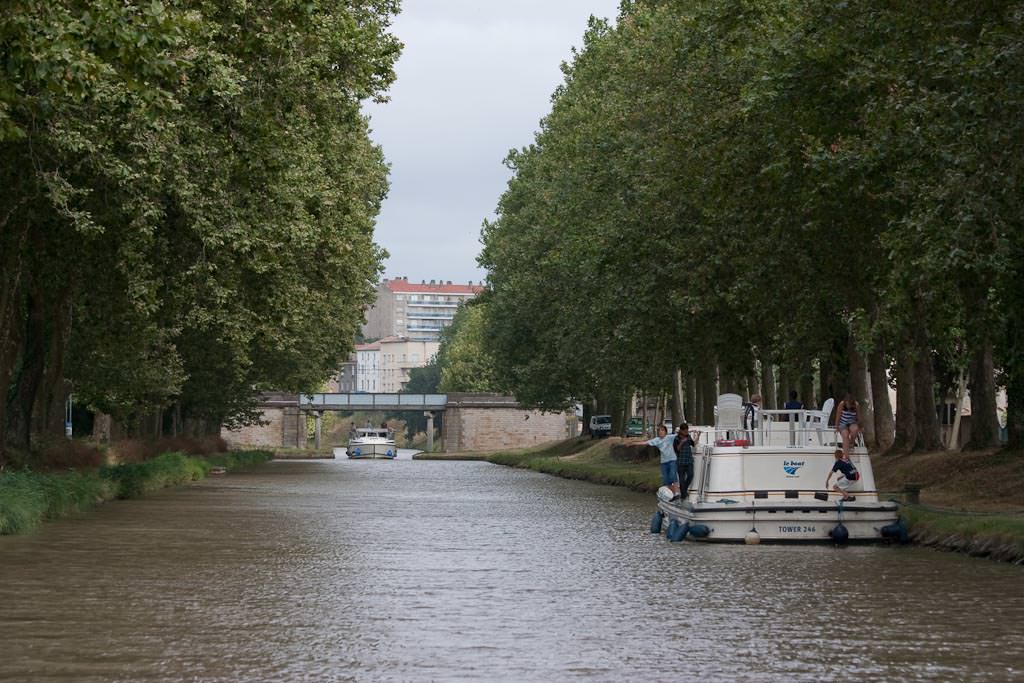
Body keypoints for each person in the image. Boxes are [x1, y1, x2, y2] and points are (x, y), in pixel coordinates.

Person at [631, 425, 679, 499]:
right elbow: (645, 443)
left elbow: (680, 434)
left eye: (662, 430)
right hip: (664, 462)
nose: (660, 432)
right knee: (666, 480)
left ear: (665, 432)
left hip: (672, 460)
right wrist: (632, 443)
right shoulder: (657, 440)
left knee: (672, 476)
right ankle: (672, 495)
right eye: (659, 431)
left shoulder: (670, 437)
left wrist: (691, 431)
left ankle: (676, 493)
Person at [673, 423, 701, 498]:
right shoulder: (676, 439)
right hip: (680, 462)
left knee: (690, 475)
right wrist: (682, 442)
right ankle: (683, 496)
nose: (686, 432)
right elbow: (676, 450)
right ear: (681, 431)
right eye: (685, 431)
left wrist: (698, 436)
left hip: (689, 461)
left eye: (687, 431)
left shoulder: (688, 437)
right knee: (681, 481)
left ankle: (684, 491)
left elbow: (694, 444)